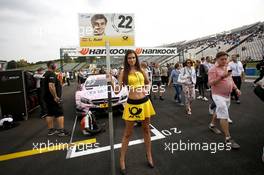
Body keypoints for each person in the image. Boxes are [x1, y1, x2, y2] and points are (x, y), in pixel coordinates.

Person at [108, 50, 156, 174]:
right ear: (126, 59)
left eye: (133, 57)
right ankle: (122, 159)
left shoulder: (142, 70)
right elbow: (117, 90)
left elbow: (148, 82)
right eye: (129, 58)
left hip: (145, 103)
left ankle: (149, 155)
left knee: (146, 130)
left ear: (136, 58)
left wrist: (147, 89)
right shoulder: (123, 72)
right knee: (128, 133)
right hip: (132, 105)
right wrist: (111, 81)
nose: (131, 60)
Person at [208, 51, 241, 149]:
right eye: (222, 59)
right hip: (218, 95)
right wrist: (222, 76)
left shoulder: (227, 67)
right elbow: (210, 83)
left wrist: (236, 89)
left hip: (227, 95)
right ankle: (228, 139)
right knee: (224, 115)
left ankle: (212, 125)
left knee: (219, 110)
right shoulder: (213, 69)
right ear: (217, 59)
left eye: (225, 59)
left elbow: (230, 80)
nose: (224, 61)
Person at [43, 61, 69, 136]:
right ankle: (61, 131)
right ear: (52, 66)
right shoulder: (51, 74)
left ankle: (51, 130)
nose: (56, 66)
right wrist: (55, 97)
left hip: (47, 98)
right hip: (52, 98)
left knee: (50, 113)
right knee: (60, 113)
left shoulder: (45, 74)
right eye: (55, 65)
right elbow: (51, 85)